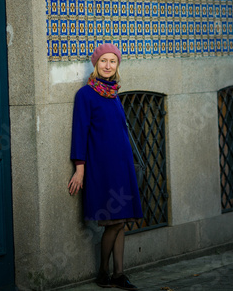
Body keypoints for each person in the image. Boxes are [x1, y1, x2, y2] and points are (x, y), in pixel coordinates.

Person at [68, 43, 143, 290]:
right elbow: (80, 133)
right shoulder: (86, 95)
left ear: (117, 65)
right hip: (102, 167)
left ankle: (119, 274)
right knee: (113, 221)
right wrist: (80, 168)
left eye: (113, 61)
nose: (108, 65)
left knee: (121, 220)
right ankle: (103, 273)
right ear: (95, 64)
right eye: (103, 61)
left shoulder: (114, 94)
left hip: (122, 165)